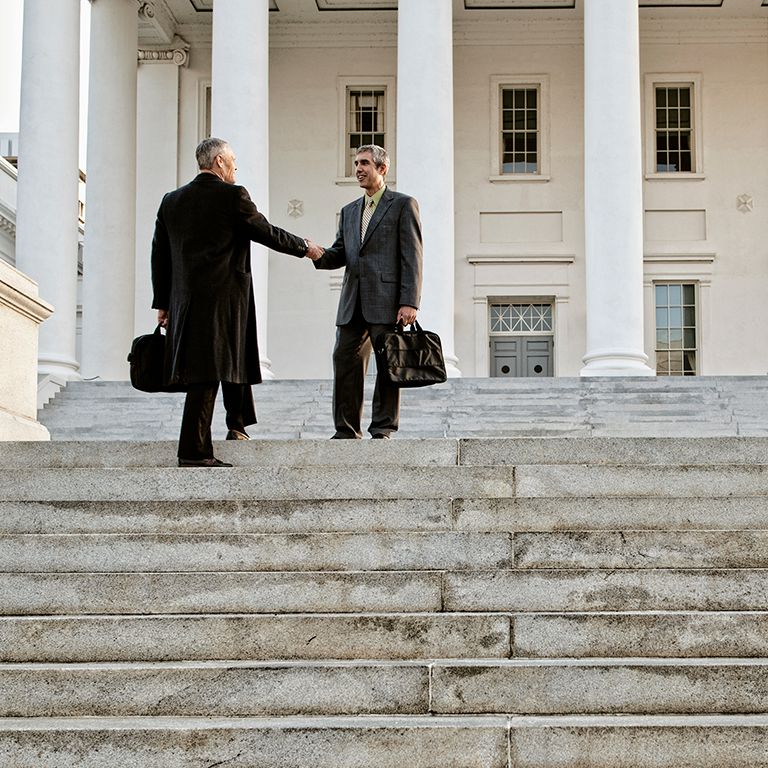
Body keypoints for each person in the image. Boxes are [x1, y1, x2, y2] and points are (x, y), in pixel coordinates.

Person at [151, 137, 323, 466]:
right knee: (208, 371)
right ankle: (194, 452)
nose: (235, 167)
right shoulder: (233, 196)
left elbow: (159, 255)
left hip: (185, 300)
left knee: (233, 356)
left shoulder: (171, 201)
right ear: (218, 162)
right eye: (232, 161)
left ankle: (238, 423)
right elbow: (267, 232)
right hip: (224, 299)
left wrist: (164, 301)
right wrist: (306, 247)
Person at [313, 145, 423, 439]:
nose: (358, 169)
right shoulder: (349, 212)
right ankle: (346, 429)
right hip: (352, 303)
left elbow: (411, 256)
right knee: (345, 361)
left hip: (387, 302)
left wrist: (409, 301)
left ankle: (383, 426)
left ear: (382, 168)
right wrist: (315, 254)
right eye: (356, 163)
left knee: (389, 365)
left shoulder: (402, 204)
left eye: (364, 163)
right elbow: (341, 253)